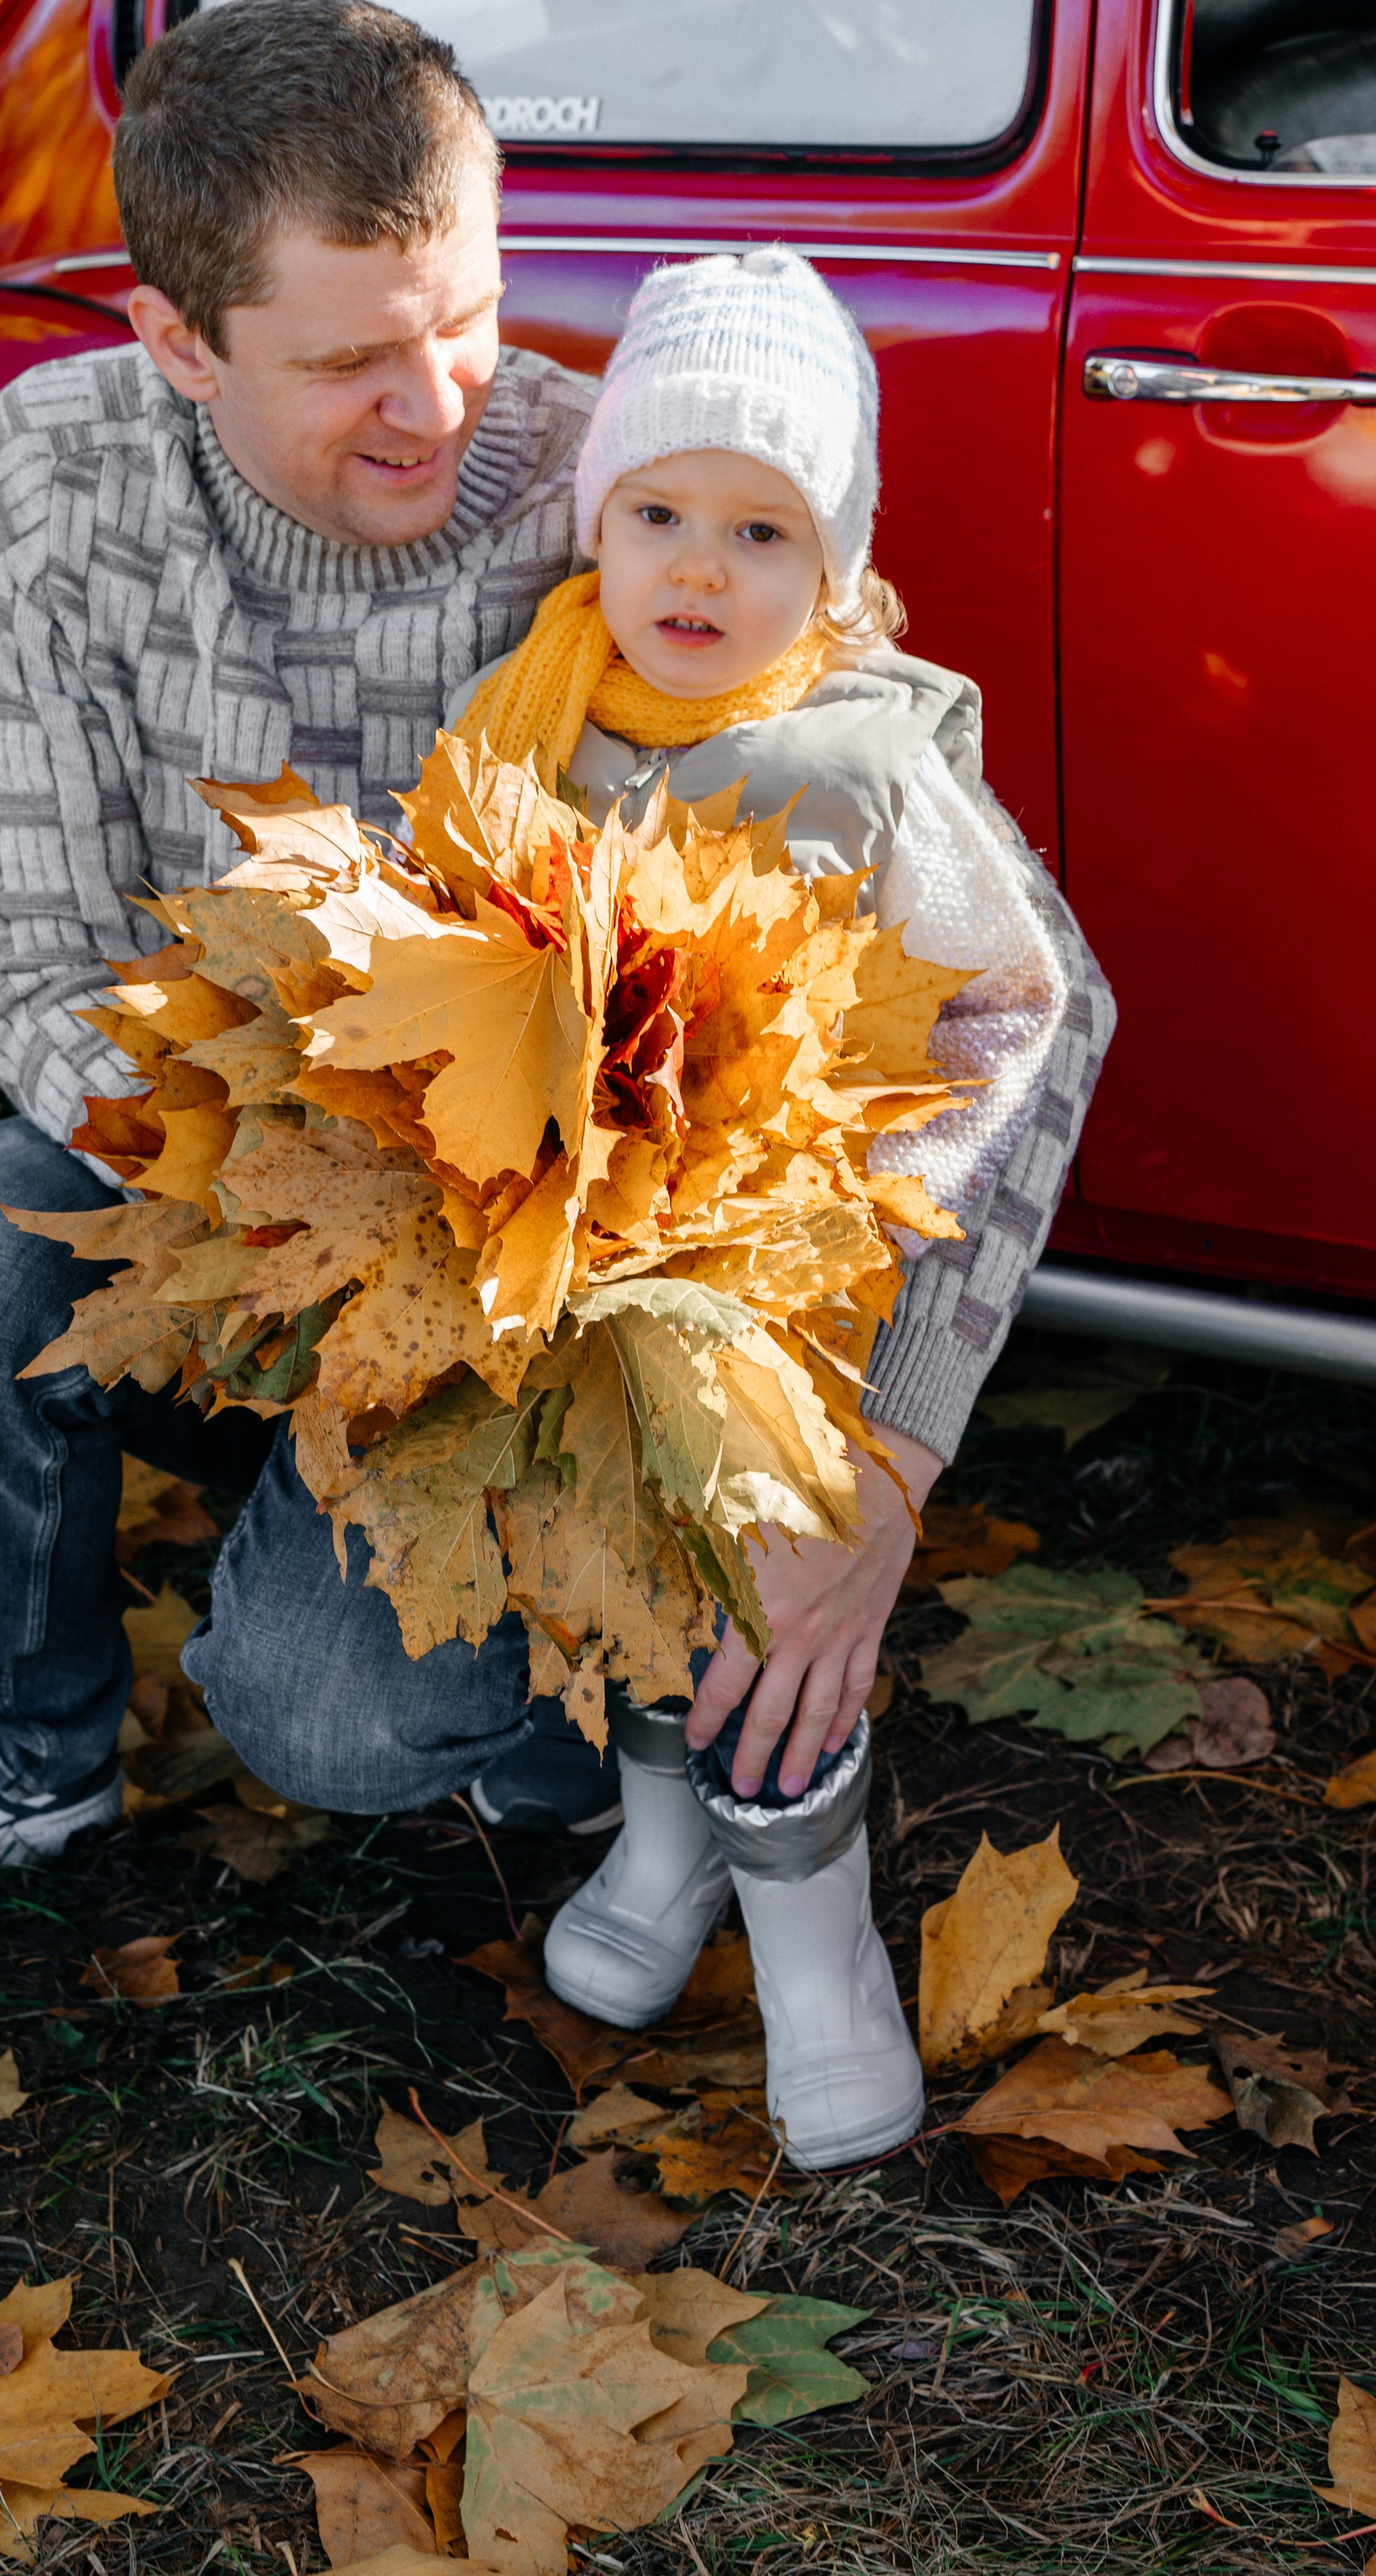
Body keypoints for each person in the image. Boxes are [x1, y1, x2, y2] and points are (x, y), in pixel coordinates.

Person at [0, 0, 604, 1948]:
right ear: (177, 343)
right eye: (353, 359)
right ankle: (13, 1737)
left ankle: (563, 1686)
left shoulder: (607, 496)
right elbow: (37, 971)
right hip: (195, 1158)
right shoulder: (56, 479)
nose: (437, 402)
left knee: (327, 1718)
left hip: (516, 1247)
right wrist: (257, 1206)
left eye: (464, 316)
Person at [439, 245, 1113, 2163]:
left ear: (833, 562)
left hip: (782, 1293)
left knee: (755, 1607)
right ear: (599, 523)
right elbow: (455, 930)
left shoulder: (864, 759)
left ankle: (816, 1950)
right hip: (579, 1269)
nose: (696, 573)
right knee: (621, 1587)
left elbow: (1014, 1004)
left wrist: (881, 1198)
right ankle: (660, 1860)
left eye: (757, 530)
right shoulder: (530, 710)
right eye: (655, 515)